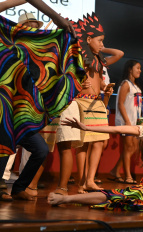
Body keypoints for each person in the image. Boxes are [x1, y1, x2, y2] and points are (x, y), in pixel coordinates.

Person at [0, 0, 85, 201]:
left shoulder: (26, 49)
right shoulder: (6, 38)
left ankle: (19, 188)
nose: (32, 29)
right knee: (4, 141)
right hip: (4, 112)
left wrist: (57, 19)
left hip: (18, 113)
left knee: (40, 149)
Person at [54, 13, 124, 195]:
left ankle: (90, 179)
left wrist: (104, 87)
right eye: (100, 41)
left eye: (103, 41)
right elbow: (73, 76)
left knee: (99, 141)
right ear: (88, 39)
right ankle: (81, 182)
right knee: (83, 143)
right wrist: (80, 83)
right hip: (82, 102)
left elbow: (117, 56)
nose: (102, 44)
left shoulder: (99, 60)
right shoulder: (81, 57)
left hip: (97, 103)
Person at [109, 60, 142, 184]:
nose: (140, 70)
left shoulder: (135, 86)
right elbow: (120, 103)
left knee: (134, 147)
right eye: (137, 68)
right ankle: (128, 176)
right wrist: (127, 121)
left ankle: (115, 170)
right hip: (127, 122)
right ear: (130, 69)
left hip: (135, 122)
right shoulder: (125, 84)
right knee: (128, 148)